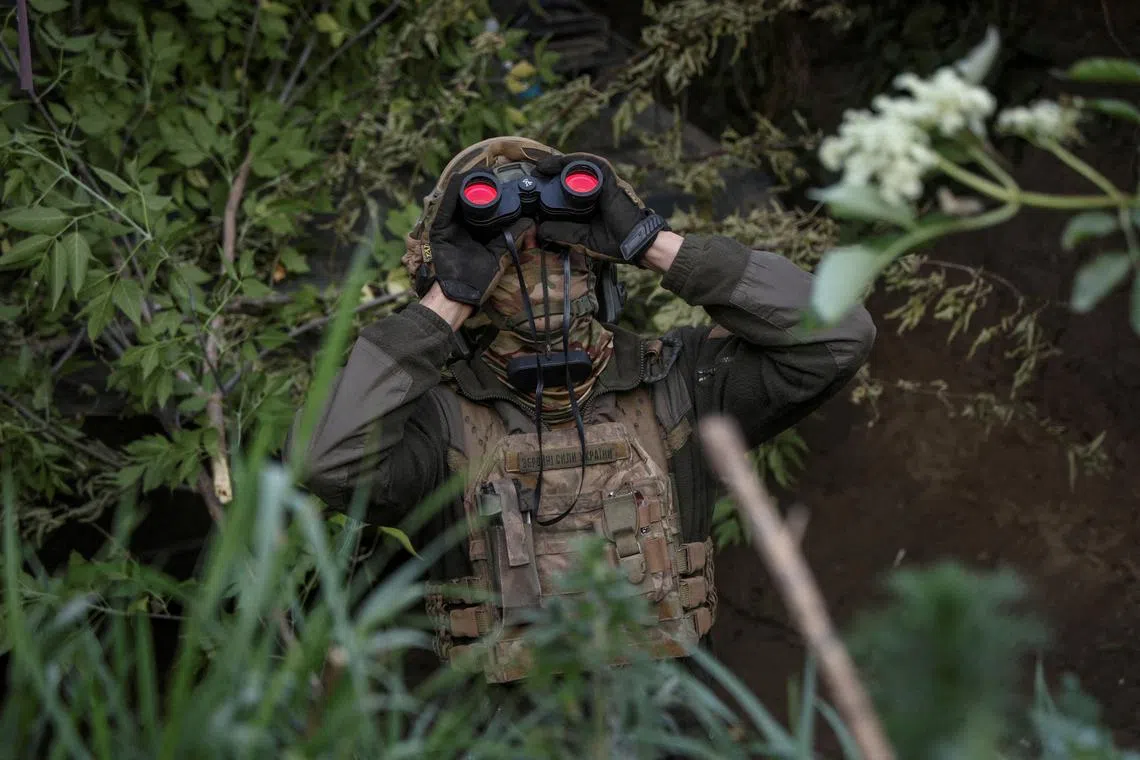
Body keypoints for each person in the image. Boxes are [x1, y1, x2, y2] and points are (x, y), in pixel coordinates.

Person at [289, 136, 876, 683]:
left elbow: (838, 334)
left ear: (594, 255)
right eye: (507, 249)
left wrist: (652, 243)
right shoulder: (437, 419)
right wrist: (447, 296)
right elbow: (327, 460)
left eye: (552, 240)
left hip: (668, 729)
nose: (532, 260)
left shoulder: (679, 381)